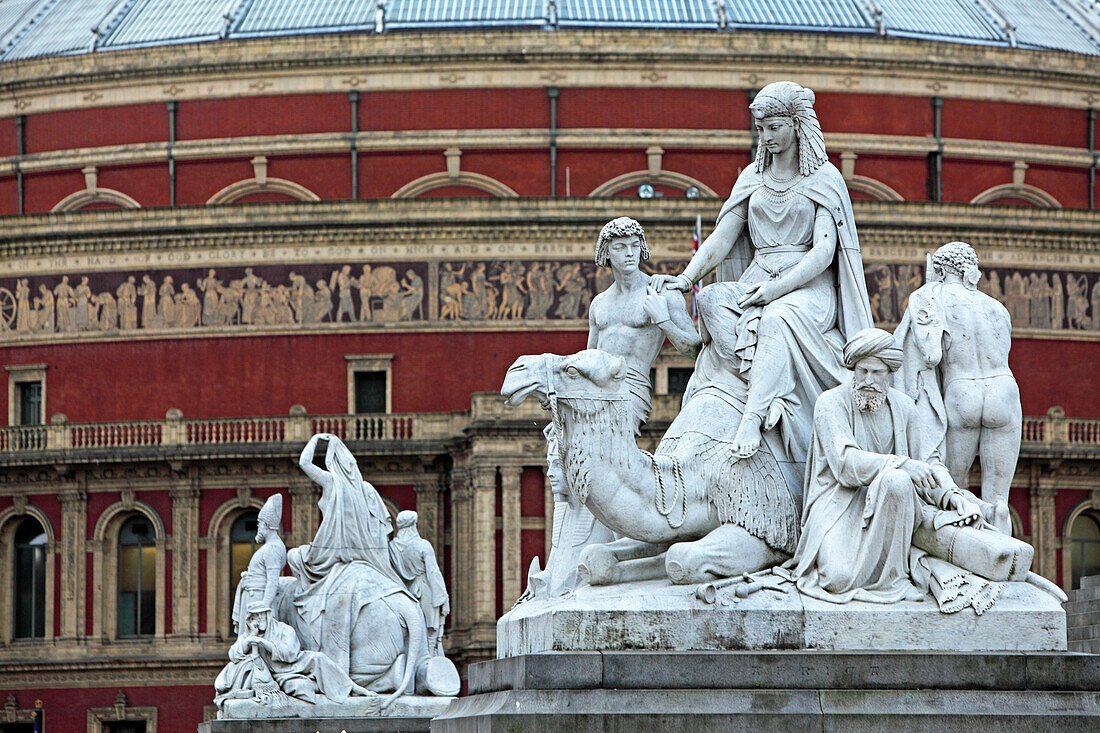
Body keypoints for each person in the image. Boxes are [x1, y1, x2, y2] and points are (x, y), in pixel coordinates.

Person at [651, 81, 873, 471]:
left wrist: (775, 290)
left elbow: (823, 253)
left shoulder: (823, 178)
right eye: (761, 128)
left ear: (797, 125)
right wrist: (686, 280)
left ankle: (753, 418)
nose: (767, 136)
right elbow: (723, 237)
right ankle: (761, 382)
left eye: (775, 126)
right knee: (712, 300)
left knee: (776, 318)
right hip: (759, 275)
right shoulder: (752, 180)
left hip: (806, 287)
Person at [790, 328, 988, 606]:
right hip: (839, 506)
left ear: (889, 374)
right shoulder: (830, 403)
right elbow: (845, 464)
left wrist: (953, 496)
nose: (868, 380)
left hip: (890, 508)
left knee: (896, 481)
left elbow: (929, 462)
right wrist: (902, 464)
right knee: (836, 578)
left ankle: (893, 579)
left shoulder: (904, 407)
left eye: (877, 373)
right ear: (853, 370)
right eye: (863, 371)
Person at [894, 242, 1021, 534]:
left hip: (962, 392)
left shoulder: (929, 297)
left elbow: (930, 356)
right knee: (1000, 501)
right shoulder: (997, 307)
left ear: (939, 269)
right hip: (1004, 391)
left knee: (952, 494)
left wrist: (925, 298)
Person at [214, 602, 379, 710]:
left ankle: (353, 688)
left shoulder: (284, 630)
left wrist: (265, 644)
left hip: (294, 664)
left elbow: (290, 653)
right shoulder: (249, 635)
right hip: (276, 674)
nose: (258, 619)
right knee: (302, 687)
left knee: (318, 658)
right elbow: (234, 654)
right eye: (254, 616)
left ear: (267, 615)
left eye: (260, 615)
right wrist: (251, 638)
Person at [296, 433, 399, 583]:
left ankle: (308, 600)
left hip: (331, 551)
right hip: (362, 553)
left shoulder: (331, 481)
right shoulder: (364, 489)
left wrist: (314, 439)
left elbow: (304, 463)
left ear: (331, 462)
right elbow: (379, 526)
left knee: (295, 556)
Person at [388, 511, 449, 655]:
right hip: (424, 589)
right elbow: (433, 573)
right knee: (430, 634)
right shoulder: (423, 545)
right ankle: (429, 661)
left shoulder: (392, 548)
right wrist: (442, 598)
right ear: (413, 525)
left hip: (403, 592)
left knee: (407, 635)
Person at [230, 494, 287, 637]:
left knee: (255, 639)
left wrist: (265, 605)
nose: (258, 527)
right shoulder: (271, 547)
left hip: (258, 599)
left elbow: (273, 580)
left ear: (266, 525)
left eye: (259, 524)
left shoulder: (272, 548)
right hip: (253, 596)